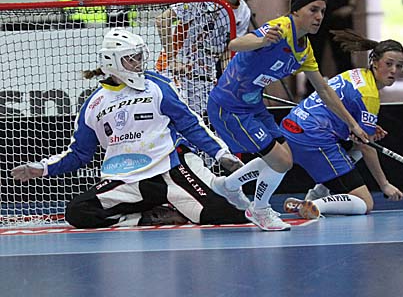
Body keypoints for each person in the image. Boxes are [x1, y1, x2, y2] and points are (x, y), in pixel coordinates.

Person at [10, 29, 249, 228]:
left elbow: (191, 124)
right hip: (127, 179)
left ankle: (186, 202)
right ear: (112, 62)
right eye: (131, 59)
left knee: (226, 213)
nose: (138, 64)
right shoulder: (93, 105)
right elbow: (79, 154)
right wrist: (42, 168)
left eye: (139, 57)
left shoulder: (157, 85)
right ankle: (145, 217)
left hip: (171, 168)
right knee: (78, 212)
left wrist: (221, 154)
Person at [206, 0, 370, 231]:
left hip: (253, 106)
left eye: (322, 11)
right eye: (313, 10)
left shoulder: (305, 50)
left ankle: (227, 186)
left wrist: (352, 124)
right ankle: (259, 209)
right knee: (281, 161)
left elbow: (324, 91)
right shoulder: (281, 28)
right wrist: (261, 40)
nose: (319, 16)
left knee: (284, 156)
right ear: (296, 11)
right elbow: (236, 44)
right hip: (229, 106)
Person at [280, 32, 403, 219]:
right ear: (374, 62)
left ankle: (314, 197)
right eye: (389, 64)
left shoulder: (355, 74)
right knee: (365, 203)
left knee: (356, 145)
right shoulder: (369, 95)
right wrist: (384, 184)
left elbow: (339, 112)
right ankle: (315, 204)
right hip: (314, 138)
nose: (394, 70)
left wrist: (366, 128)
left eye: (399, 66)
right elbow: (367, 147)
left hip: (291, 126)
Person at [155, 0, 252, 115]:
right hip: (175, 70)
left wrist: (228, 81)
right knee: (177, 119)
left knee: (202, 122)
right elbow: (162, 20)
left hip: (204, 77)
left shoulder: (244, 12)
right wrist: (172, 60)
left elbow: (229, 50)